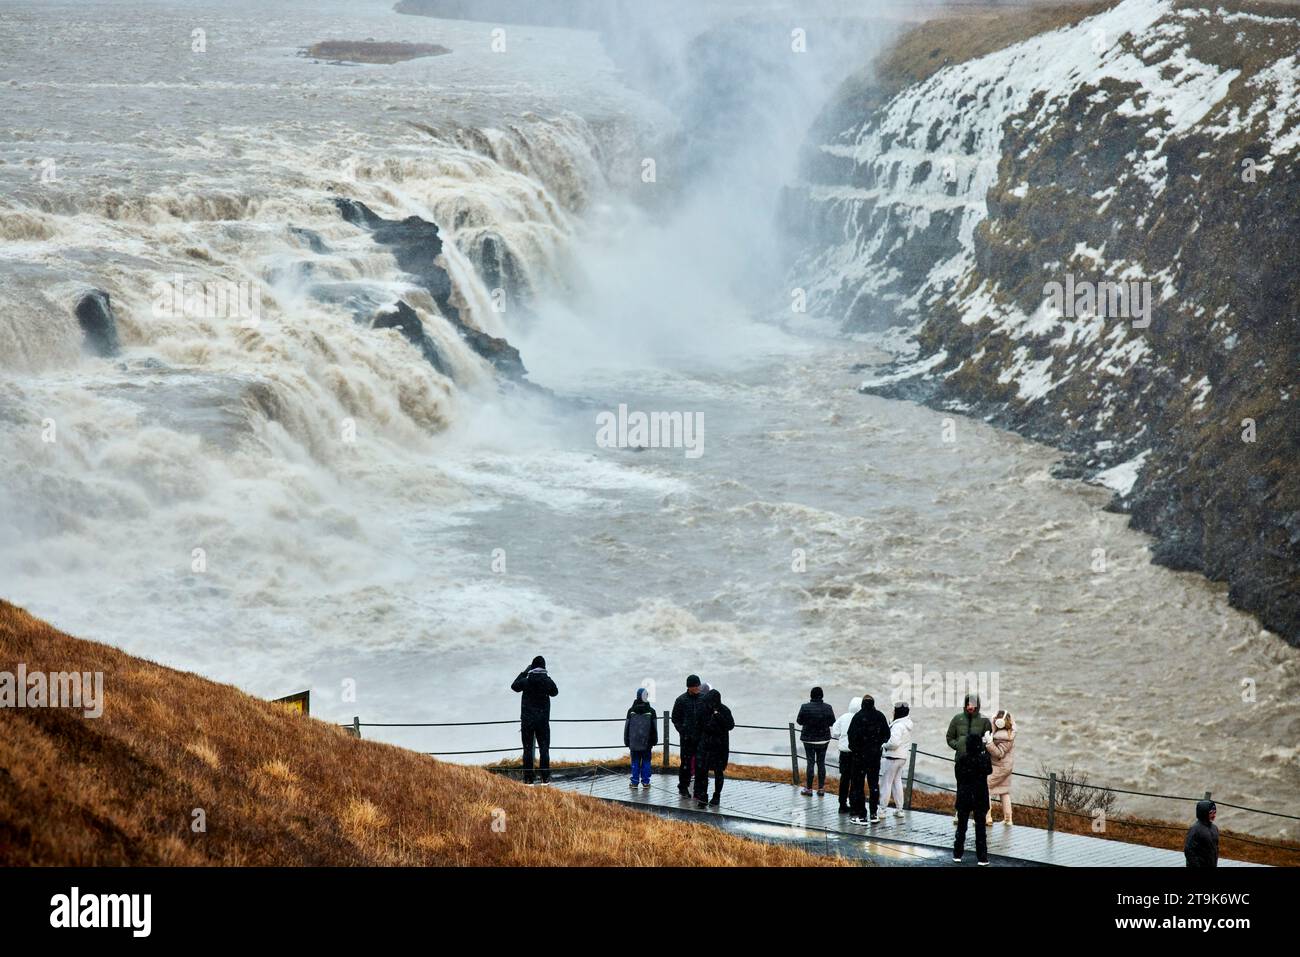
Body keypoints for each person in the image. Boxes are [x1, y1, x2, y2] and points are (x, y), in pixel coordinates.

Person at [511, 655, 558, 785]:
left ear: (532, 666)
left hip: (527, 721)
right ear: (544, 667)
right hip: (542, 721)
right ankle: (545, 779)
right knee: (544, 749)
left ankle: (528, 780)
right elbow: (555, 692)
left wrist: (524, 672)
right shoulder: (547, 681)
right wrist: (546, 677)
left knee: (527, 750)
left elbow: (514, 686)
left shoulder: (526, 681)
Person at [947, 691, 993, 822]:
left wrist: (979, 750)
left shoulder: (985, 721)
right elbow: (949, 737)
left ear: (977, 705)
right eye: (968, 704)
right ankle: (959, 813)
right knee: (961, 788)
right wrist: (958, 745)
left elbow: (988, 740)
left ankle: (977, 817)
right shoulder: (957, 719)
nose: (970, 707)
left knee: (978, 790)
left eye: (972, 704)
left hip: (978, 762)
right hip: (961, 760)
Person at [847, 694, 891, 825]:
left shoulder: (857, 717)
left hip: (859, 758)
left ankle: (861, 815)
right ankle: (873, 813)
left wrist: (856, 749)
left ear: (862, 704)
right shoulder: (880, 716)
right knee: (873, 785)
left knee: (858, 786)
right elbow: (887, 735)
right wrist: (877, 745)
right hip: (874, 757)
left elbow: (851, 736)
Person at [953, 732, 992, 865]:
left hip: (964, 795)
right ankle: (982, 857)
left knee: (961, 826)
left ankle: (957, 854)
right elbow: (989, 771)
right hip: (980, 795)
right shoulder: (984, 759)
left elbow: (958, 775)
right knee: (980, 828)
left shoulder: (962, 759)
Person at [693, 688, 734, 807]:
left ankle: (717, 795)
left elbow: (730, 725)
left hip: (720, 747)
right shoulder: (703, 709)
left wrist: (717, 715)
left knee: (718, 772)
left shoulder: (724, 710)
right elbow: (698, 725)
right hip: (705, 745)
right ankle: (703, 796)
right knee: (702, 772)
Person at [796, 687, 835, 796]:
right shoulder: (828, 708)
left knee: (810, 763)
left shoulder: (805, 707)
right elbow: (832, 722)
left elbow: (799, 721)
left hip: (808, 739)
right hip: (823, 739)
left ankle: (808, 789)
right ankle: (821, 788)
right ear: (822, 696)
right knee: (821, 763)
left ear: (811, 695)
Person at [671, 675, 706, 796]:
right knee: (685, 764)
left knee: (700, 764)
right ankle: (683, 787)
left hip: (700, 738)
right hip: (686, 739)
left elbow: (707, 717)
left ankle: (698, 789)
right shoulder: (681, 700)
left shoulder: (703, 698)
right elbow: (675, 718)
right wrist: (683, 731)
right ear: (689, 687)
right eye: (695, 686)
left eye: (698, 685)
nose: (698, 688)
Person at [880, 702, 913, 818]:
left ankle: (882, 810)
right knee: (897, 782)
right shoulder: (906, 724)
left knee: (886, 783)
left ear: (897, 712)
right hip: (902, 757)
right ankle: (899, 809)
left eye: (894, 710)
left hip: (893, 756)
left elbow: (894, 743)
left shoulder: (898, 726)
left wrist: (884, 745)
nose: (893, 711)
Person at [829, 697, 861, 814]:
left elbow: (835, 732)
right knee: (855, 779)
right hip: (856, 753)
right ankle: (853, 803)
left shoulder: (843, 717)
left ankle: (842, 804)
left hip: (844, 753)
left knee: (844, 779)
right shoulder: (860, 718)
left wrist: (843, 737)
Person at [624, 687, 659, 789]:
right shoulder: (651, 711)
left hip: (634, 741)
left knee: (635, 761)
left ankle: (634, 782)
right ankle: (646, 782)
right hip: (646, 742)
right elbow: (654, 728)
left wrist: (626, 740)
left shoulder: (631, 711)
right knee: (646, 761)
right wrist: (654, 740)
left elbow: (627, 727)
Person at [985, 709, 1015, 825]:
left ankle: (987, 817)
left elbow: (999, 753)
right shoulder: (1009, 733)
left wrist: (989, 743)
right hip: (1006, 767)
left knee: (985, 786)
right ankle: (1008, 819)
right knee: (1004, 791)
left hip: (1000, 766)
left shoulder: (1002, 738)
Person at [1184, 800, 1220, 867]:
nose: (1214, 815)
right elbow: (1189, 851)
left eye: (1215, 812)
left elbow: (1216, 848)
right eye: (1211, 813)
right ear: (1203, 813)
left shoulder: (1215, 828)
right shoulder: (1195, 829)